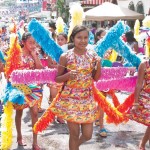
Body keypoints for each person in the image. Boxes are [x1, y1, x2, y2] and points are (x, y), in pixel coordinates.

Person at [49, 25, 101, 150]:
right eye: (79, 37)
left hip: (87, 99)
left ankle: (73, 147)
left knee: (88, 135)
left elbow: (96, 78)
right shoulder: (66, 56)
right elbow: (57, 79)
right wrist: (67, 75)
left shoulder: (93, 55)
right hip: (70, 99)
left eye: (85, 37)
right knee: (74, 134)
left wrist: (99, 64)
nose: (83, 41)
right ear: (73, 38)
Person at [14, 32, 43, 150]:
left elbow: (40, 69)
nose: (32, 45)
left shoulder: (34, 53)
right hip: (20, 88)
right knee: (19, 113)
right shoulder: (17, 54)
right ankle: (19, 136)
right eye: (30, 42)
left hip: (33, 88)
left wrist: (34, 55)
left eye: (34, 43)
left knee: (35, 113)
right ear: (23, 42)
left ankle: (35, 142)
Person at [127, 59, 150, 150]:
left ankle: (143, 142)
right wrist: (135, 102)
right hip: (146, 97)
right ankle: (143, 143)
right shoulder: (144, 64)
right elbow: (139, 84)